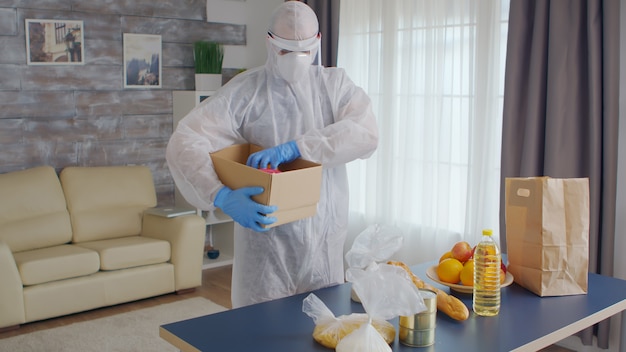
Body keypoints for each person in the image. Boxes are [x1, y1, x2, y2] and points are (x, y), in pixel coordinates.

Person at [166, 1, 378, 308]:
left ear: (318, 42)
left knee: (321, 332)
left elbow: (365, 132)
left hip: (323, 247)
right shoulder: (246, 91)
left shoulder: (335, 87)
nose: (295, 60)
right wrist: (221, 195)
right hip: (265, 254)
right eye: (284, 51)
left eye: (304, 51)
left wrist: (299, 148)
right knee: (261, 335)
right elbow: (185, 140)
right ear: (269, 42)